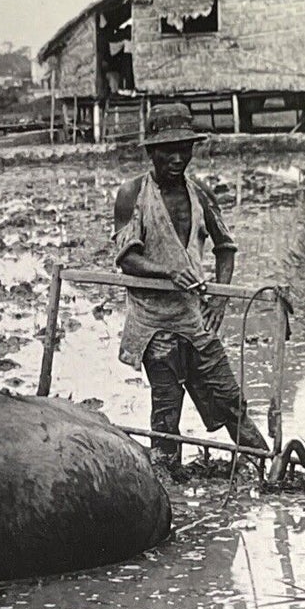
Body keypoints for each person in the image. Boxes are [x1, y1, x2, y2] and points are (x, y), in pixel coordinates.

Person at [114, 102, 269, 479]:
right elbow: (127, 258)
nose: (178, 158)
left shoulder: (199, 193)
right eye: (168, 150)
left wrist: (220, 296)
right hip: (154, 324)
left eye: (185, 148)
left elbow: (226, 247)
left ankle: (264, 467)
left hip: (194, 319)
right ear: (152, 152)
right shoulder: (133, 193)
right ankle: (169, 487)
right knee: (166, 411)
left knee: (230, 399)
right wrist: (169, 272)